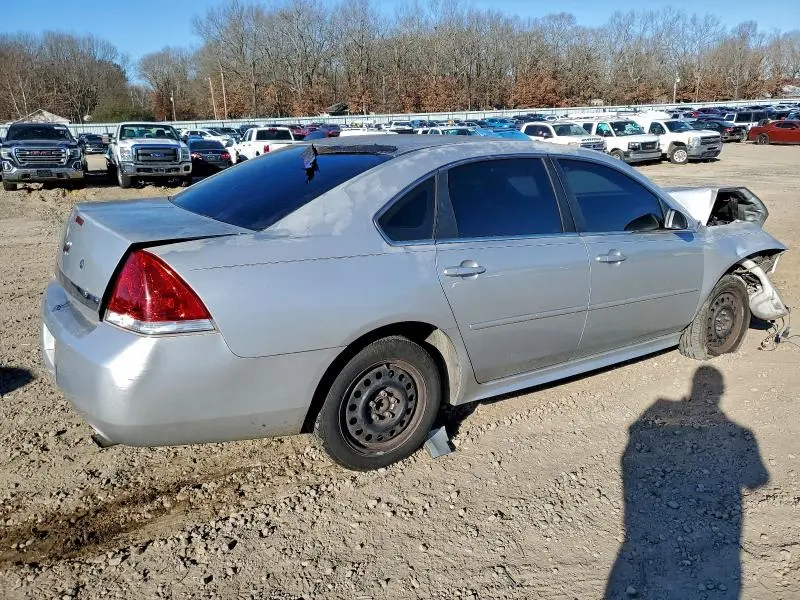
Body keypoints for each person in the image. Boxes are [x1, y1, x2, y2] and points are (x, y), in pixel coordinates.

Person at [605, 366, 768, 599]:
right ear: (721, 392)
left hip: (646, 530)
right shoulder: (741, 434)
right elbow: (758, 479)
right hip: (710, 543)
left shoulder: (658, 415)